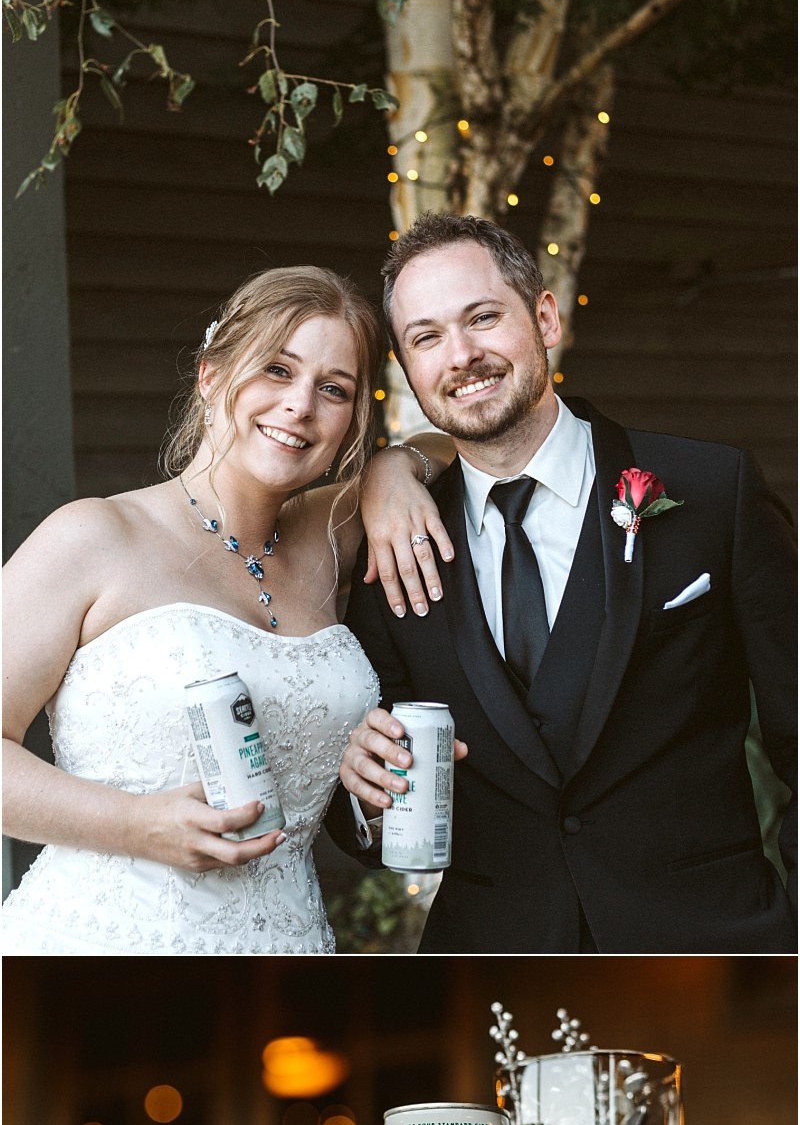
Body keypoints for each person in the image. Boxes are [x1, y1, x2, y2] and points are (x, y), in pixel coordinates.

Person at [329, 212, 797, 953]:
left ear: (544, 316)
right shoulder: (388, 547)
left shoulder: (716, 489)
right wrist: (367, 799)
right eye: (426, 338)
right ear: (407, 367)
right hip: (493, 963)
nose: (462, 355)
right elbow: (367, 811)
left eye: (483, 317)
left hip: (716, 945)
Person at [2, 265, 444, 957]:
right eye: (276, 369)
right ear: (210, 375)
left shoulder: (333, 533)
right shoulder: (91, 537)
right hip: (96, 944)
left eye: (334, 390)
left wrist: (394, 467)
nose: (300, 406)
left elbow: (447, 446)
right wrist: (135, 824)